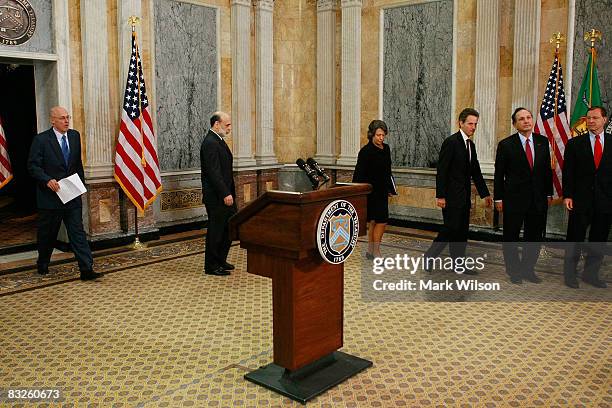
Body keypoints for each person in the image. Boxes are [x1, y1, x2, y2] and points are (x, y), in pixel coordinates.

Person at [27, 106, 102, 281]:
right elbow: (33, 166)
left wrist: (80, 186)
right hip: (50, 197)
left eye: (68, 117)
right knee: (48, 234)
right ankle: (43, 262)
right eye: (62, 118)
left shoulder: (75, 136)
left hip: (72, 194)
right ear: (52, 120)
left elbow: (77, 165)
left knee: (77, 232)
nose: (66, 121)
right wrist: (47, 180)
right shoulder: (41, 140)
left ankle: (86, 269)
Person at [423, 108, 492, 274]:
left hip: (464, 198)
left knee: (461, 233)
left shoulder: (470, 145)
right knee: (450, 229)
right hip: (450, 197)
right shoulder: (451, 142)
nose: (473, 127)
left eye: (475, 124)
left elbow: (475, 171)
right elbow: (442, 170)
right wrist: (440, 195)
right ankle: (430, 256)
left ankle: (459, 265)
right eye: (470, 123)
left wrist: (485, 193)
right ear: (460, 123)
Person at [494, 107, 553, 284]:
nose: (526, 121)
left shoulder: (543, 141)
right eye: (521, 119)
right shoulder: (506, 145)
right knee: (511, 236)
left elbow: (546, 172)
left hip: (537, 200)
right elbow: (499, 174)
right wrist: (499, 198)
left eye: (528, 117)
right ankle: (514, 271)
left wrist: (549, 193)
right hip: (514, 200)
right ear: (515, 124)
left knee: (534, 237)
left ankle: (528, 270)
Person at [562, 106, 611, 288]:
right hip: (580, 200)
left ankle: (591, 275)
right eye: (588, 118)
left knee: (598, 239)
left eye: (595, 118)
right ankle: (570, 275)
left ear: (604, 120)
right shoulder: (575, 144)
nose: (591, 121)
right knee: (575, 238)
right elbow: (568, 172)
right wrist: (567, 195)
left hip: (605, 201)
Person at [200, 111, 237, 276]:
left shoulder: (219, 140)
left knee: (228, 229)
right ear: (216, 124)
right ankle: (211, 266)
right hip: (217, 197)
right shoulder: (210, 142)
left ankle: (221, 260)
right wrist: (225, 193)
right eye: (227, 125)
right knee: (216, 231)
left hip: (226, 194)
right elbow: (214, 173)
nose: (229, 128)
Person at [353, 120, 394, 258]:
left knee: (378, 221)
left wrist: (389, 187)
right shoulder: (365, 152)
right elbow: (358, 175)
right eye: (378, 135)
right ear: (371, 135)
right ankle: (376, 251)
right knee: (378, 221)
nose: (381, 138)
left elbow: (388, 171)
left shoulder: (386, 149)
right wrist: (359, 195)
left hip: (382, 191)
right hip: (370, 192)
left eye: (383, 135)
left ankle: (371, 251)